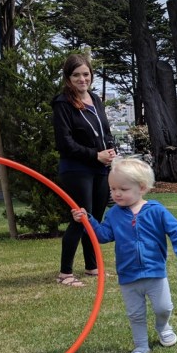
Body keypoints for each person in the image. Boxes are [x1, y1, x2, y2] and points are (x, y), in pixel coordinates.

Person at [72, 157, 177, 353]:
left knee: (163, 308)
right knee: (135, 314)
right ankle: (141, 346)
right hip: (128, 276)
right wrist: (88, 220)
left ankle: (163, 326)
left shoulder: (156, 210)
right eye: (113, 188)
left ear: (142, 188)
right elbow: (102, 235)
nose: (116, 193)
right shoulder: (114, 215)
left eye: (123, 189)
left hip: (155, 272)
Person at [53, 53, 116, 287]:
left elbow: (105, 132)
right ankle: (65, 273)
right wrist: (94, 154)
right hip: (76, 169)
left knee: (95, 219)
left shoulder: (95, 99)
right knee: (81, 218)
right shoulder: (63, 103)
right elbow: (64, 143)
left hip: (100, 168)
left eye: (86, 74)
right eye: (76, 75)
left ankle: (92, 267)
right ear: (68, 78)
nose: (82, 79)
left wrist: (110, 150)